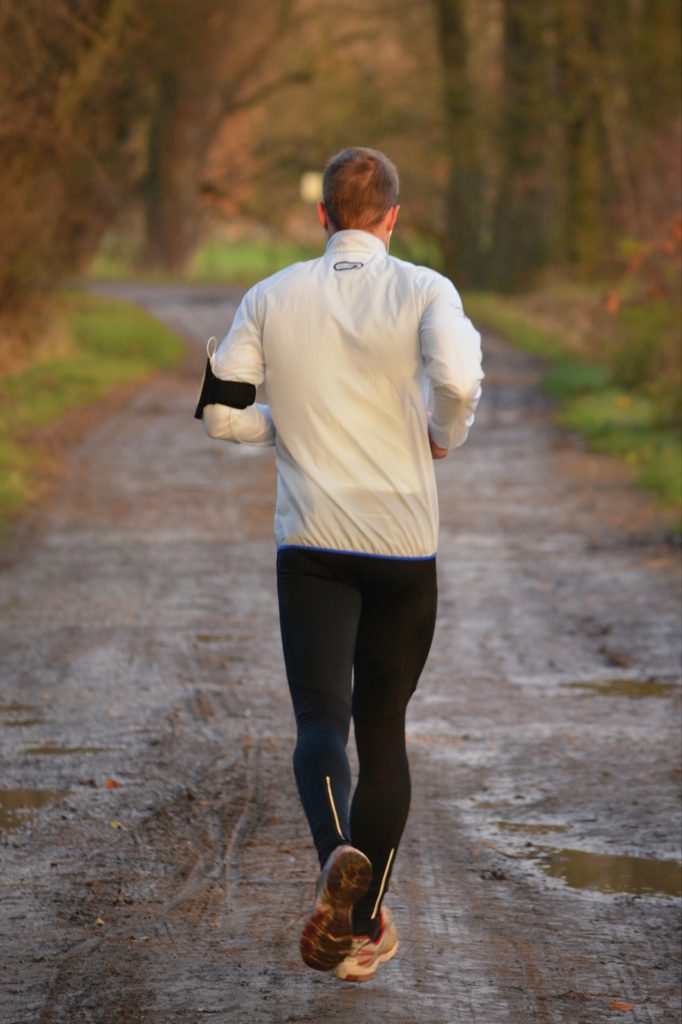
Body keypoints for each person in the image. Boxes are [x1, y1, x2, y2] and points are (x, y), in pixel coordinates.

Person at [195, 146, 483, 982]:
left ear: (321, 216)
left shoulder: (272, 295)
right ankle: (358, 928)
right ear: (393, 217)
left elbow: (219, 415)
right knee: (383, 729)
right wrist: (445, 433)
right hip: (402, 544)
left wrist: (283, 428)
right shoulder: (428, 288)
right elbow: (459, 380)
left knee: (321, 720)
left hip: (313, 542)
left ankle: (335, 857)